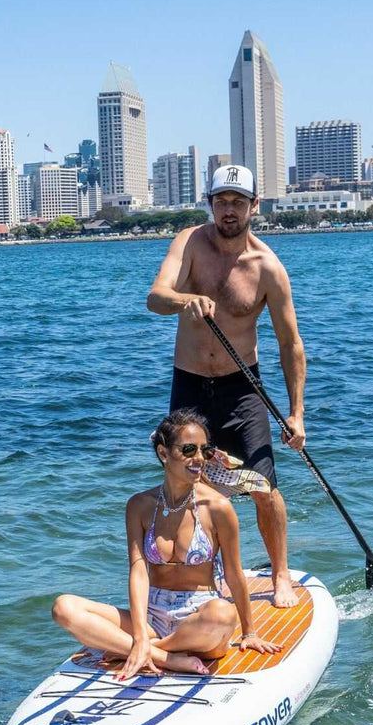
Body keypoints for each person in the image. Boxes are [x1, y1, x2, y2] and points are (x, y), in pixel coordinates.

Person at [147, 163, 306, 609]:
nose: (229, 210)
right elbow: (156, 297)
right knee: (190, 487)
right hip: (190, 386)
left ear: (255, 205)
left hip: (243, 388)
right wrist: (185, 299)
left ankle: (280, 576)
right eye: (221, 201)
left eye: (239, 201)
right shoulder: (190, 243)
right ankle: (204, 578)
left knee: (261, 487)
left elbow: (290, 344)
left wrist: (296, 414)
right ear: (210, 204)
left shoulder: (268, 268)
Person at [52, 409, 282, 679]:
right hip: (152, 616)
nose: (199, 459)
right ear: (163, 453)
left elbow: (233, 572)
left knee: (222, 613)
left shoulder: (218, 507)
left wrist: (249, 632)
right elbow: (138, 571)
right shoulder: (139, 505)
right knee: (64, 607)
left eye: (204, 451)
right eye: (188, 450)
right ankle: (165, 657)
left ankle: (138, 649)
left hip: (200, 620)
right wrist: (139, 632)